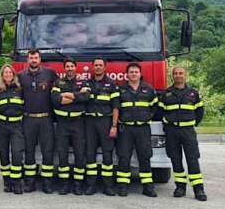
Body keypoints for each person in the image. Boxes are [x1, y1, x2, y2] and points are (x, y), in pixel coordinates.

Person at [158, 66, 207, 201]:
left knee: (192, 160)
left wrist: (192, 123)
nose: (178, 75)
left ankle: (199, 190)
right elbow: (159, 111)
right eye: (175, 73)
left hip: (188, 132)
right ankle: (180, 187)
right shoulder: (166, 93)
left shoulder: (193, 93)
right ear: (172, 76)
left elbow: (200, 111)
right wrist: (166, 122)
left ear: (185, 76)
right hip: (172, 131)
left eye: (181, 73)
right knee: (176, 160)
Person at [17, 50, 57, 193]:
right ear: (27, 60)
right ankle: (30, 182)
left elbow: (59, 89)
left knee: (48, 151)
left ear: (40, 59)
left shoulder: (50, 74)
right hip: (28, 119)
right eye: (31, 58)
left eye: (36, 57)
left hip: (46, 118)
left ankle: (47, 183)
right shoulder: (21, 76)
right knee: (29, 151)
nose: (33, 60)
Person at [116, 63, 158, 197]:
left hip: (142, 128)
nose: (133, 74)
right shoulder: (120, 89)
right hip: (126, 128)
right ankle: (123, 186)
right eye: (131, 72)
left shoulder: (149, 89)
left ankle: (148, 187)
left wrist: (147, 117)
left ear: (140, 74)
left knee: (145, 156)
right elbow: (116, 107)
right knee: (124, 156)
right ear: (127, 74)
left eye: (136, 72)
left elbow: (155, 107)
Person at [51, 58, 90, 195]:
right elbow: (55, 100)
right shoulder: (58, 82)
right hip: (62, 124)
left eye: (72, 66)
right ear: (64, 68)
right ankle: (64, 184)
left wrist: (67, 95)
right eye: (67, 66)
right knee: (62, 155)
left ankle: (78, 184)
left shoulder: (83, 82)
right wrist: (76, 97)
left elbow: (85, 98)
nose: (69, 68)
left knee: (80, 155)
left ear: (76, 67)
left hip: (78, 123)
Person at [84, 58, 120, 196]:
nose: (98, 67)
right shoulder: (86, 83)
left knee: (107, 154)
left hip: (105, 122)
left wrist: (114, 126)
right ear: (92, 67)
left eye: (100, 65)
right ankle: (91, 185)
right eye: (96, 65)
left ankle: (108, 186)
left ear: (105, 67)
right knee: (90, 153)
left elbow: (116, 107)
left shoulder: (112, 84)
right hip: (90, 122)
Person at [0, 64, 25, 194]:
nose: (7, 74)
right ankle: (7, 182)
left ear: (13, 75)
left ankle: (16, 182)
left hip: (17, 126)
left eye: (10, 72)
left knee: (17, 154)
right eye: (5, 72)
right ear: (2, 75)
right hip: (2, 126)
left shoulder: (20, 90)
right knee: (4, 155)